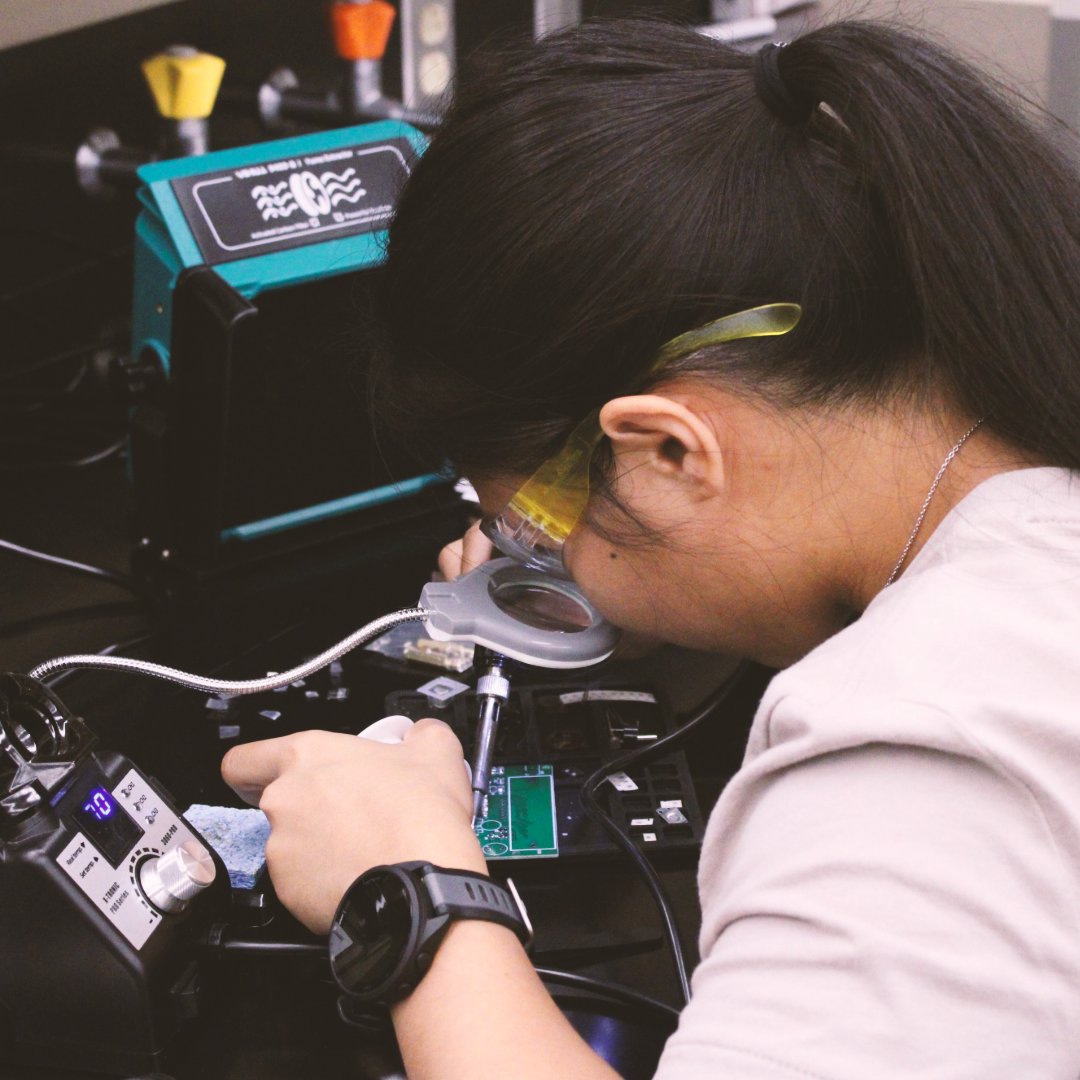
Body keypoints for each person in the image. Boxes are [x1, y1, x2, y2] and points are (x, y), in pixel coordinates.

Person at [221, 16, 1080, 1078]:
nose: (552, 575)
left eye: (536, 532)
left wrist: (414, 888)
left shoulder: (908, 768)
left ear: (667, 451)